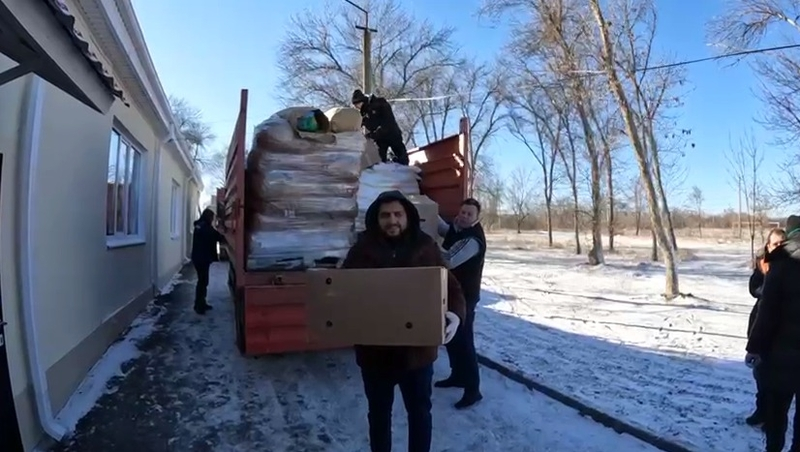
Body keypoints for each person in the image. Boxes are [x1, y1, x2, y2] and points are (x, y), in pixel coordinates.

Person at [342, 190, 466, 452]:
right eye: (385, 215)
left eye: (398, 214)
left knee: (420, 414)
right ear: (376, 219)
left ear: (408, 216)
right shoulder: (361, 250)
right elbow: (343, 291)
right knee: (378, 415)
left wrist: (455, 315)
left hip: (417, 355)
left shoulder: (425, 247)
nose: (392, 220)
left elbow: (452, 287)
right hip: (375, 355)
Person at [746, 215, 800, 452]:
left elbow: (767, 313)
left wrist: (754, 347)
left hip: (780, 353)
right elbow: (756, 290)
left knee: (777, 411)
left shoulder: (781, 264)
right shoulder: (773, 262)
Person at [434, 198, 487, 409]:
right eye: (463, 212)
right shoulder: (458, 228)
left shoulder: (472, 240)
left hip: (465, 297)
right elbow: (444, 229)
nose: (464, 216)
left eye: (469, 214)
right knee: (452, 337)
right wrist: (424, 210)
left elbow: (448, 260)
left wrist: (426, 244)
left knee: (465, 342)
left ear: (476, 217)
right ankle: (457, 376)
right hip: (452, 293)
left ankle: (473, 390)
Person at [746, 227, 786, 426]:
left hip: (782, 330)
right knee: (760, 374)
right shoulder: (763, 263)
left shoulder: (792, 265)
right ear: (768, 246)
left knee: (777, 379)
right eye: (774, 243)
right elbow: (754, 288)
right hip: (760, 323)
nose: (778, 247)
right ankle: (761, 411)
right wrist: (764, 279)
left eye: (781, 243)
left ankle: (773, 418)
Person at [352, 89, 410, 165]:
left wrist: (374, 134)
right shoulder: (364, 113)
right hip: (380, 140)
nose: (357, 107)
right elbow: (359, 125)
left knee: (402, 158)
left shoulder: (379, 103)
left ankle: (403, 168)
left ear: (361, 101)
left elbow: (388, 122)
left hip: (392, 134)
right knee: (378, 161)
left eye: (357, 105)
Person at [190, 208, 225, 315]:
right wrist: (222, 231)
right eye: (212, 218)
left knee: (202, 281)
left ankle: (201, 303)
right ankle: (199, 306)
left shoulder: (199, 226)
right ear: (208, 217)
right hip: (202, 259)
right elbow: (218, 237)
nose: (212, 220)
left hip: (198, 258)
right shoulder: (206, 228)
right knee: (202, 282)